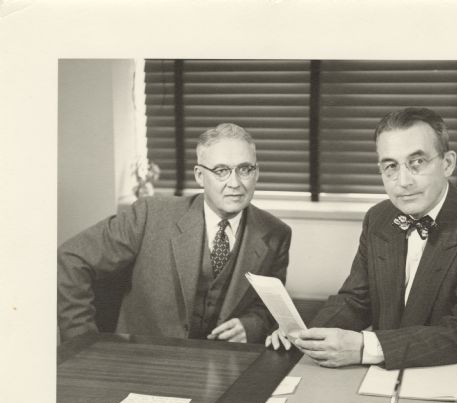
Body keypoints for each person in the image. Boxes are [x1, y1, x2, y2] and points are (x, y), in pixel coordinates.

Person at [267, 107, 457, 369]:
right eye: (390, 166)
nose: (403, 181)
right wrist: (310, 335)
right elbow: (355, 299)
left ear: (448, 163)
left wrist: (366, 347)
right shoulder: (379, 218)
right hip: (388, 374)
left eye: (417, 163)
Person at [58, 123, 291, 344]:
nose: (235, 183)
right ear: (200, 176)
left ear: (256, 173)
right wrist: (84, 342)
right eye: (221, 171)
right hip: (145, 360)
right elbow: (71, 258)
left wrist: (250, 325)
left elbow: (269, 308)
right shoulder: (150, 215)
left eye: (245, 169)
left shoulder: (275, 233)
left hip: (224, 362)